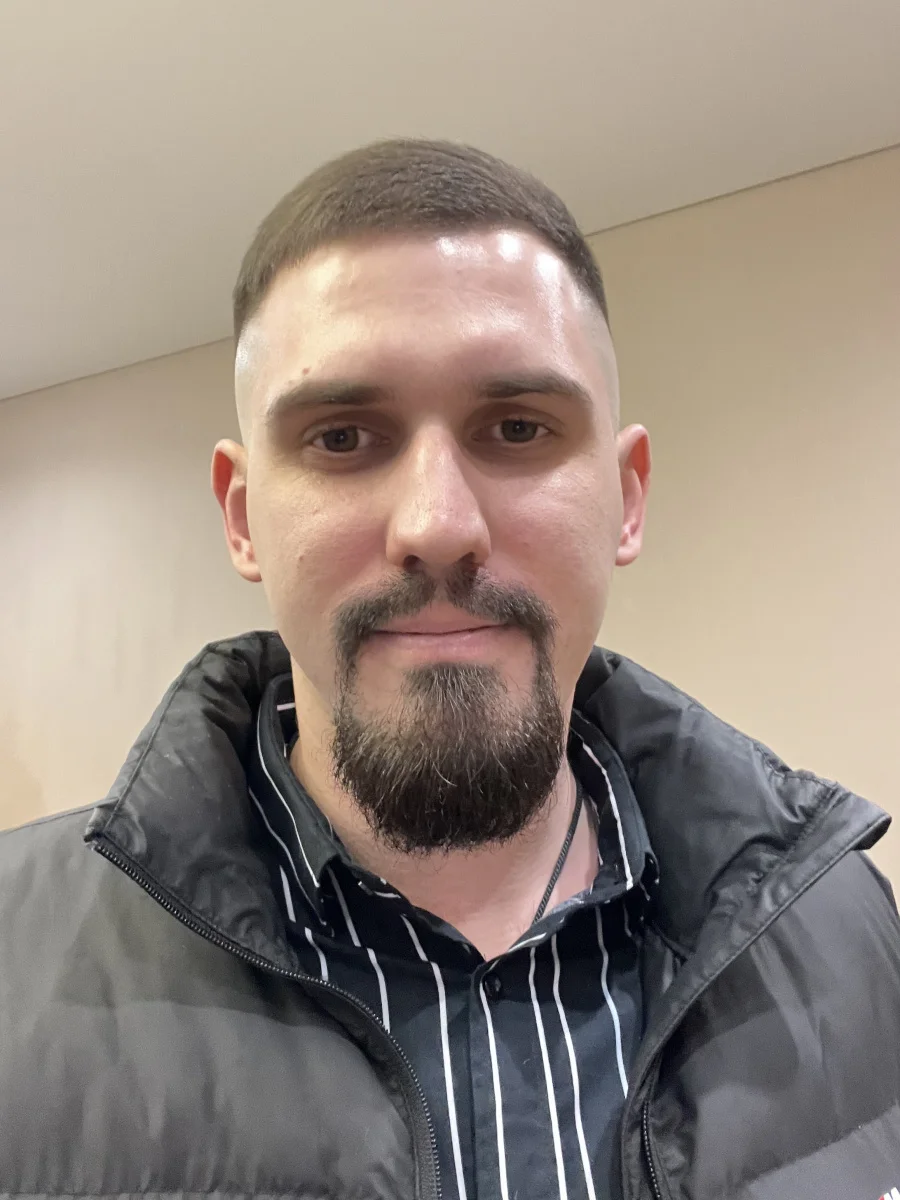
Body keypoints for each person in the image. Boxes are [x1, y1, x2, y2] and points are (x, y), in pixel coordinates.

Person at [1, 139, 899, 1200]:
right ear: (243, 519)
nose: (436, 525)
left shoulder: (844, 927)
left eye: (517, 427)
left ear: (627, 498)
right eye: (344, 438)